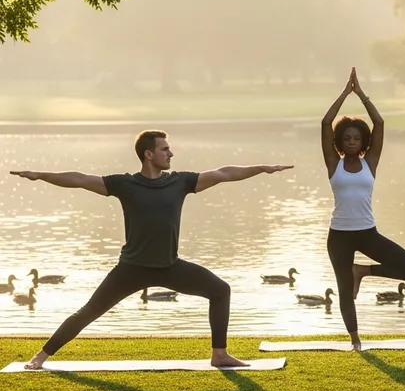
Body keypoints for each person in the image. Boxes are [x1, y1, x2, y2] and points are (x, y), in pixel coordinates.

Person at [11, 130, 293, 370]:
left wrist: (261, 168)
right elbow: (80, 179)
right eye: (165, 149)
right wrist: (40, 175)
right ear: (149, 154)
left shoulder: (180, 182)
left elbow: (223, 173)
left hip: (170, 266)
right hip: (131, 269)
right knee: (88, 312)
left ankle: (219, 354)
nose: (171, 154)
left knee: (220, 290)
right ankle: (41, 356)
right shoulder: (124, 184)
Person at [321, 68, 405, 351]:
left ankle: (362, 270)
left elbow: (379, 122)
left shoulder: (370, 162)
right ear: (339, 142)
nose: (351, 142)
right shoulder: (334, 163)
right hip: (339, 235)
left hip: (367, 232)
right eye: (346, 138)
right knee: (343, 292)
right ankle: (355, 340)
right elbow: (326, 122)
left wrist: (361, 94)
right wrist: (344, 93)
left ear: (363, 142)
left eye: (356, 138)